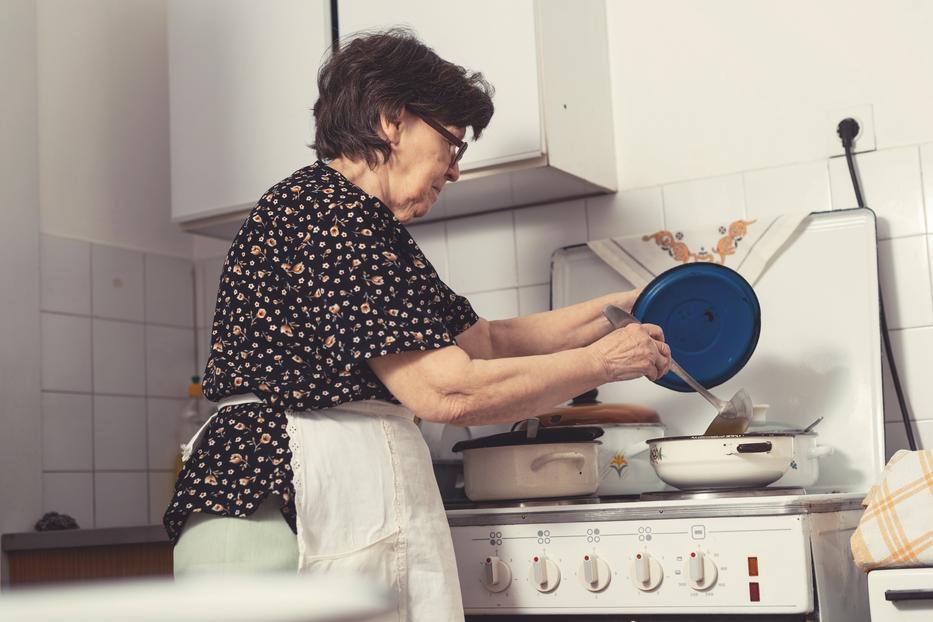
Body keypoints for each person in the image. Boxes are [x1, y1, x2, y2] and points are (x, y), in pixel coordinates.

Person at [164, 29, 671, 621]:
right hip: (273, 515)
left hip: (277, 509)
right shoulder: (333, 214)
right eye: (452, 144)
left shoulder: (355, 222)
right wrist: (604, 363)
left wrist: (629, 306)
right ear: (392, 120)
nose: (454, 171)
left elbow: (487, 342)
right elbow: (446, 389)